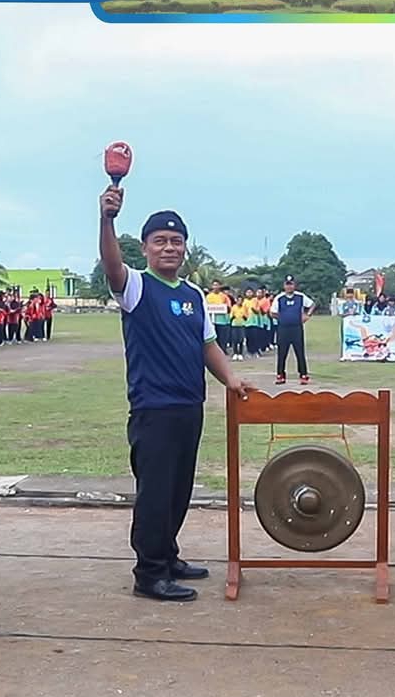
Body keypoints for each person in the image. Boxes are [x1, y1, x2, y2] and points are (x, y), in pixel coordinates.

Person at [98, 184, 250, 602]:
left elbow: (208, 346)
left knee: (180, 488)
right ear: (145, 248)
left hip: (189, 405)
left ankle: (168, 554)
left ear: (186, 248)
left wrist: (231, 380)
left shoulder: (194, 295)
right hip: (154, 407)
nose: (169, 248)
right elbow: (112, 266)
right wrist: (107, 219)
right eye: (159, 241)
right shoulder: (135, 287)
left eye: (176, 241)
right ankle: (149, 573)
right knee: (156, 491)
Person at [270, 274, 315, 385]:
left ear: (294, 285)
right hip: (283, 329)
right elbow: (272, 312)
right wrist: (282, 318)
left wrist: (307, 315)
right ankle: (280, 375)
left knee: (299, 352)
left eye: (291, 284)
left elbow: (312, 304)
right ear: (284, 285)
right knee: (282, 353)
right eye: (287, 284)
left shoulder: (300, 296)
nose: (289, 287)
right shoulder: (279, 298)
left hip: (296, 328)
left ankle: (303, 375)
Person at [206, 280, 232, 354]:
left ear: (220, 286)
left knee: (222, 338)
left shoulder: (224, 296)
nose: (215, 287)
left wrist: (224, 307)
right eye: (214, 285)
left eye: (217, 285)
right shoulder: (208, 297)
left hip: (222, 321)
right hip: (212, 321)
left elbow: (229, 308)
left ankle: (223, 351)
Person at [229, 294, 248, 360]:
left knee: (241, 340)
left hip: (242, 325)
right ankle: (235, 353)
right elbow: (231, 316)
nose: (239, 302)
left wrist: (243, 316)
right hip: (234, 325)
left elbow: (246, 317)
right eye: (238, 300)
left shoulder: (244, 307)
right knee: (234, 340)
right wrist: (233, 317)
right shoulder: (234, 307)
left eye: (241, 300)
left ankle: (240, 353)